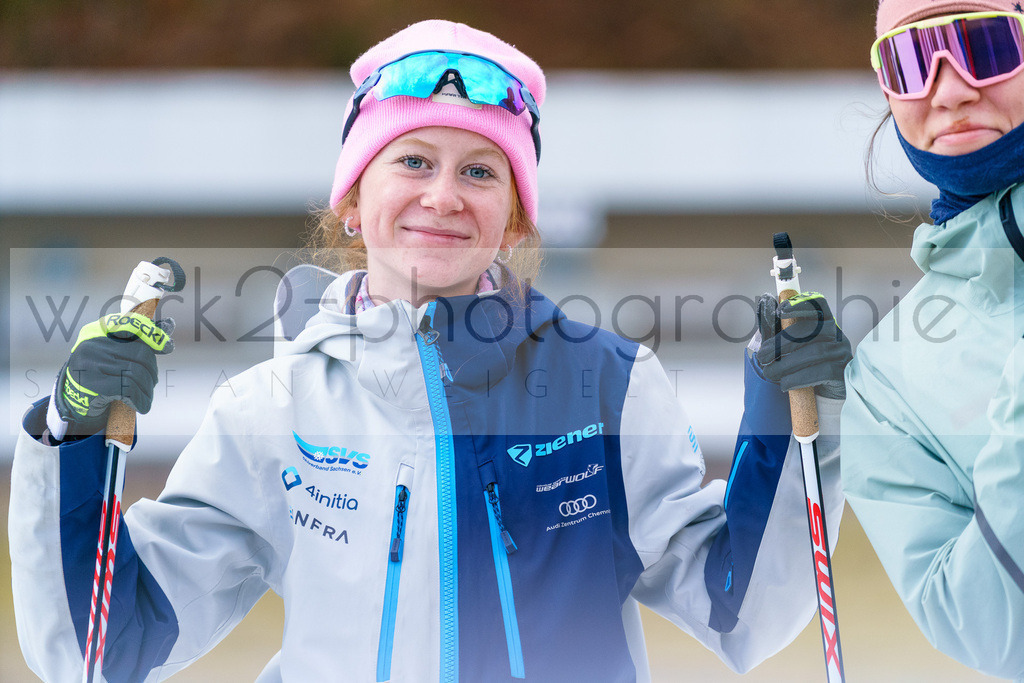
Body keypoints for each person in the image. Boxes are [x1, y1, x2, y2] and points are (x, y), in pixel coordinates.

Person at [10, 20, 851, 682]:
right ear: (352, 199)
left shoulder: (607, 385)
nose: (442, 197)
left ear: (515, 217)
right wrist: (72, 437)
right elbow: (103, 648)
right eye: (412, 159)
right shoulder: (275, 406)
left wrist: (787, 416)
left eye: (481, 172)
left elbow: (739, 604)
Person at [843, 0, 1024, 678]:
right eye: (913, 60)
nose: (950, 90)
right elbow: (993, 630)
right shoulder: (888, 379)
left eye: (988, 44)